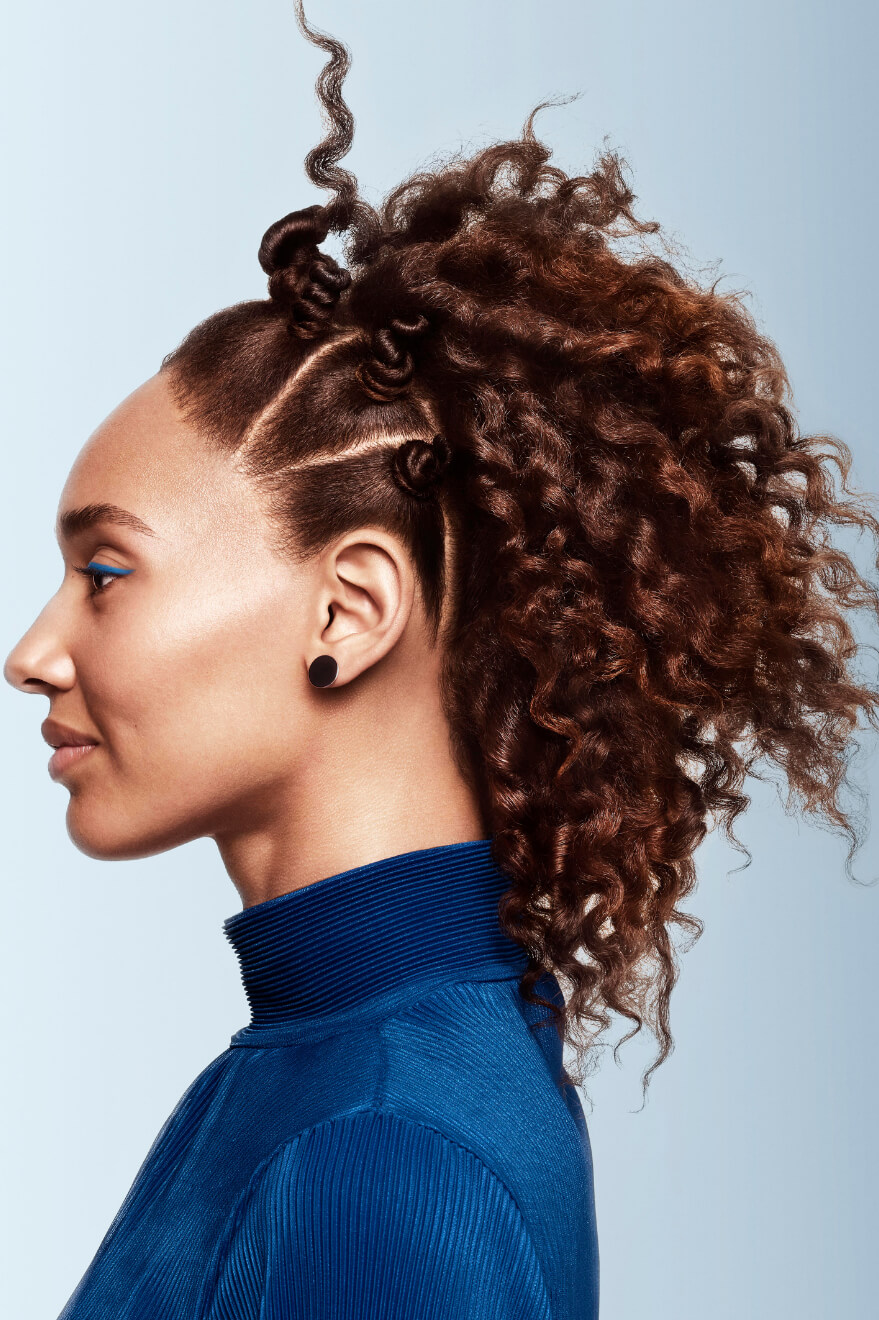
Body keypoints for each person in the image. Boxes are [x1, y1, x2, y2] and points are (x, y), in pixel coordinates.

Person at [5, 2, 879, 1317]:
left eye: (107, 574)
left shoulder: (375, 1151)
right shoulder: (343, 1068)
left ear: (348, 611)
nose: (33, 653)